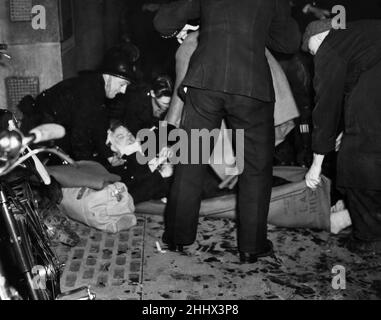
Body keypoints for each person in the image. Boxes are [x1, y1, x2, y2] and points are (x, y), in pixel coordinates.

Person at [154, 0, 301, 263]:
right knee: (254, 167)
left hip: (205, 81)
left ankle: (177, 237)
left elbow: (163, 22)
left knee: (191, 159)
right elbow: (289, 42)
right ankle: (251, 247)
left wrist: (191, 25)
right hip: (251, 85)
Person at [304, 19, 381, 254]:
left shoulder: (330, 45)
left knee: (357, 156)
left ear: (317, 38)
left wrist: (316, 165)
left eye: (311, 51)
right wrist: (344, 130)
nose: (314, 57)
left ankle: (369, 237)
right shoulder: (360, 39)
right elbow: (350, 95)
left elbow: (326, 106)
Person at [34, 48, 136, 166]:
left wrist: (108, 155)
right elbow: (80, 138)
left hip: (54, 128)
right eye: (122, 84)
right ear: (108, 77)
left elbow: (99, 126)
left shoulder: (97, 87)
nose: (123, 91)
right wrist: (90, 169)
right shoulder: (89, 93)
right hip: (41, 133)